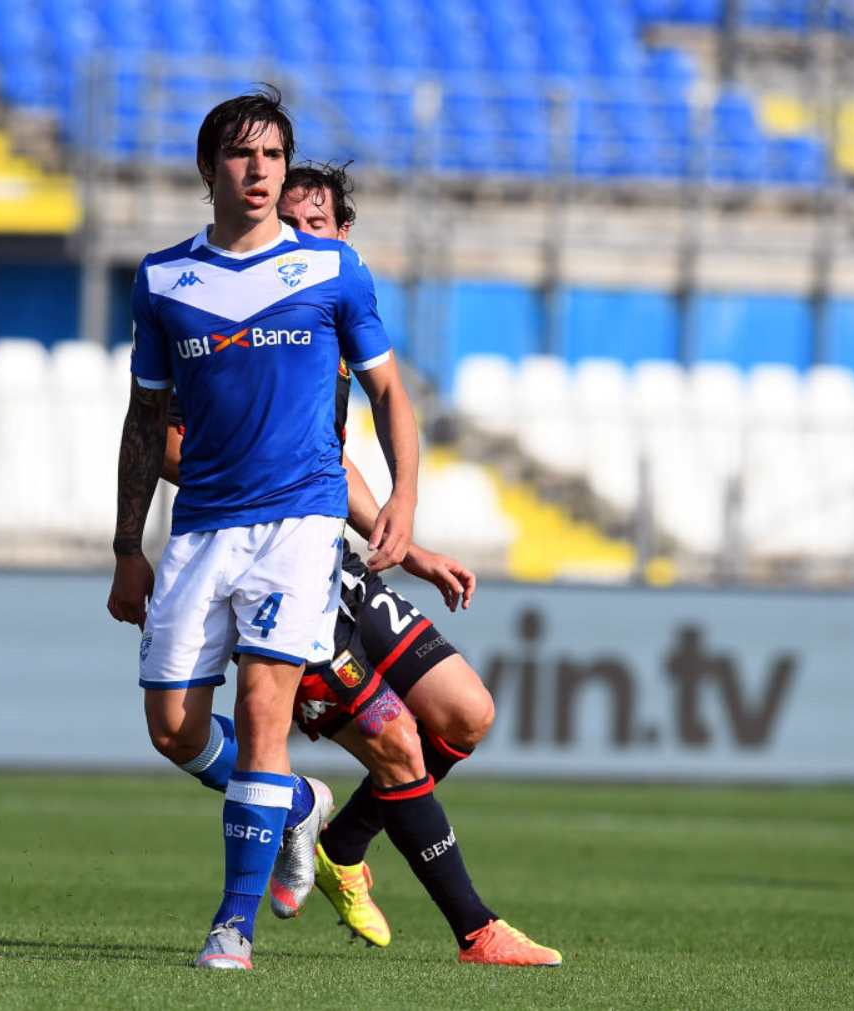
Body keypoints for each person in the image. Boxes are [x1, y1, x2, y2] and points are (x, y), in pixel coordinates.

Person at [154, 161, 563, 968]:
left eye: (319, 224)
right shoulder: (244, 316)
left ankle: (341, 840)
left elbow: (338, 463)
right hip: (271, 554)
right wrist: (242, 472)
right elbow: (164, 434)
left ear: (343, 237)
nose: (303, 236)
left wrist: (410, 546)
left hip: (336, 554)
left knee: (467, 714)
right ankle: (477, 931)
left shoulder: (334, 317)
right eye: (292, 222)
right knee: (398, 745)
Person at [107, 88, 420, 971]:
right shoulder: (165, 278)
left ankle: (231, 926)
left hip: (302, 520)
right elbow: (143, 421)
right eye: (242, 156)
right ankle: (290, 805)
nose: (259, 172)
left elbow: (391, 390)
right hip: (202, 526)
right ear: (209, 169)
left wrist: (402, 501)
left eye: (273, 157)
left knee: (265, 709)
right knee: (172, 727)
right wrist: (128, 546)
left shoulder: (331, 270)